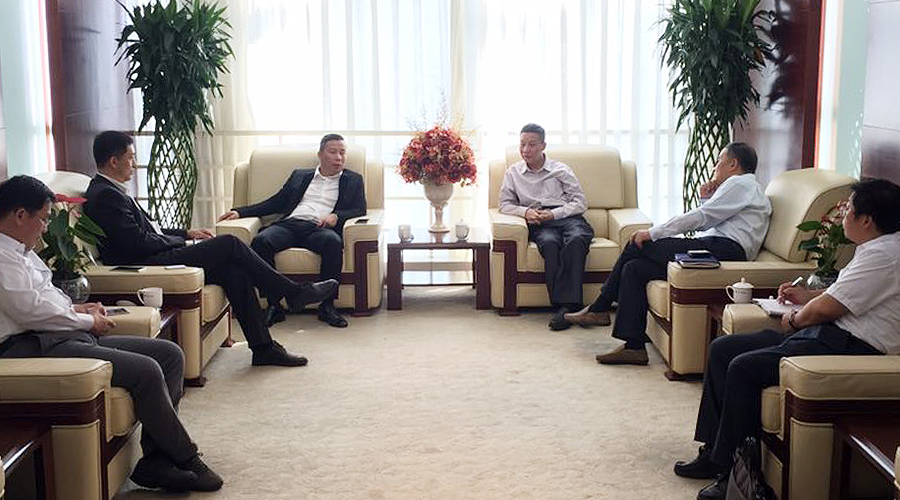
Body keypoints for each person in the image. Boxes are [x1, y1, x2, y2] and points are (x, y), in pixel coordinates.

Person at [674, 178, 900, 500]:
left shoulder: (884, 256)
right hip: (831, 335)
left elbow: (827, 308)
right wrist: (803, 296)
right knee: (723, 348)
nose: (843, 216)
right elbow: (841, 295)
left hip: (850, 346)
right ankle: (714, 452)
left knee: (743, 367)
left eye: (849, 209)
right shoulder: (878, 248)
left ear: (866, 220)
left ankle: (735, 475)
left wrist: (794, 318)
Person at [0, 175, 223, 492]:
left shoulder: (21, 251)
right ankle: (186, 456)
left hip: (54, 334)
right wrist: (88, 322)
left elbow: (42, 297)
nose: (46, 227)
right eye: (44, 219)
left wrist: (77, 308)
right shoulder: (2, 257)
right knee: (146, 370)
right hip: (28, 346)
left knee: (170, 354)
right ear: (21, 215)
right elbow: (31, 311)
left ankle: (156, 461)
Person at [83, 131, 332, 367]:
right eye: (131, 157)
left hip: (152, 253)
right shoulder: (106, 195)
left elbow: (150, 230)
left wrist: (187, 233)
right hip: (145, 263)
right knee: (229, 243)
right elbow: (137, 242)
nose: (135, 164)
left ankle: (263, 348)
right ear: (114, 161)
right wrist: (181, 242)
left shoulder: (111, 190)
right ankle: (292, 292)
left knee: (233, 271)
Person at [567, 142, 772, 365]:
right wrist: (706, 199)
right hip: (717, 247)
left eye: (718, 162)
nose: (715, 167)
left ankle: (600, 306)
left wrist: (652, 233)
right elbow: (711, 219)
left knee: (638, 244)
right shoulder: (744, 188)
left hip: (725, 250)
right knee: (634, 269)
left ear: (733, 164)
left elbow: (702, 217)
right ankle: (634, 347)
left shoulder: (740, 183)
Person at [218, 133, 366, 329]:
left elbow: (360, 209)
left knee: (333, 243)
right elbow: (276, 202)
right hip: (290, 225)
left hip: (318, 228)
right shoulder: (300, 176)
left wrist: (336, 216)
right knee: (261, 241)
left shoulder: (353, 179)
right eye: (333, 152)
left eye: (342, 153)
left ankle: (327, 306)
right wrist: (241, 211)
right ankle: (274, 305)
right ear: (320, 154)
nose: (339, 157)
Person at [498, 123, 595, 331]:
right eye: (522, 144)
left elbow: (580, 203)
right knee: (550, 244)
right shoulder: (513, 173)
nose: (526, 150)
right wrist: (526, 212)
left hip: (568, 218)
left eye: (532, 144)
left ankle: (565, 309)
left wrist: (554, 214)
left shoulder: (561, 170)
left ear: (543, 146)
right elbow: (504, 204)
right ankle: (569, 309)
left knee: (577, 239)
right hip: (540, 223)